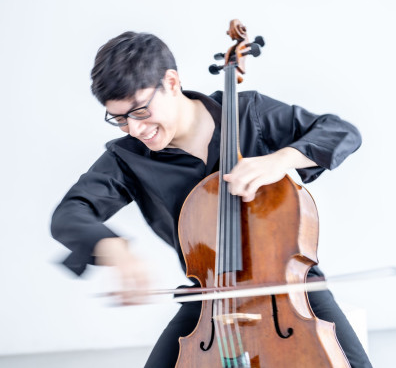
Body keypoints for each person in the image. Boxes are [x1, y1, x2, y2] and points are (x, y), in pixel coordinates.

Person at [50, 31, 372, 368]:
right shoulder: (127, 158)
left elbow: (342, 132)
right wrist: (111, 247)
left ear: (171, 82)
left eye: (140, 111)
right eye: (119, 119)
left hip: (293, 293)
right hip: (210, 301)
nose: (135, 129)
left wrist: (281, 160)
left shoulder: (250, 115)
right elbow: (70, 213)